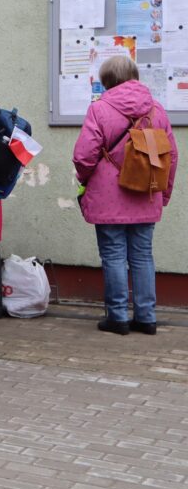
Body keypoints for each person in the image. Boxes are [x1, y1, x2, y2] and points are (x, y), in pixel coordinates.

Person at [73, 55, 178, 335]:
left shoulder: (99, 109)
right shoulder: (157, 110)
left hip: (108, 195)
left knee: (114, 255)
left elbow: (83, 156)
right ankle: (146, 317)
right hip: (146, 192)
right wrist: (163, 194)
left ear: (107, 80)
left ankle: (117, 317)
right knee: (143, 255)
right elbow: (172, 157)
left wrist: (85, 180)